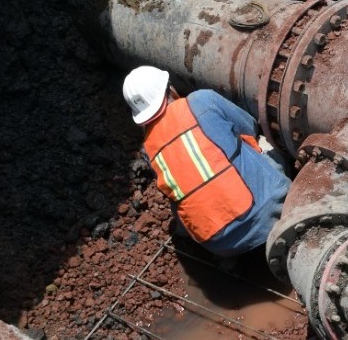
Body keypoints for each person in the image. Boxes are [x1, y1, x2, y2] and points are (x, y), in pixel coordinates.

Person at [121, 66, 291, 257]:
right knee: (264, 142)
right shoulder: (201, 100)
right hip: (268, 213)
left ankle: (235, 256)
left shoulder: (148, 149)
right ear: (169, 88)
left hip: (218, 245)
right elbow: (250, 126)